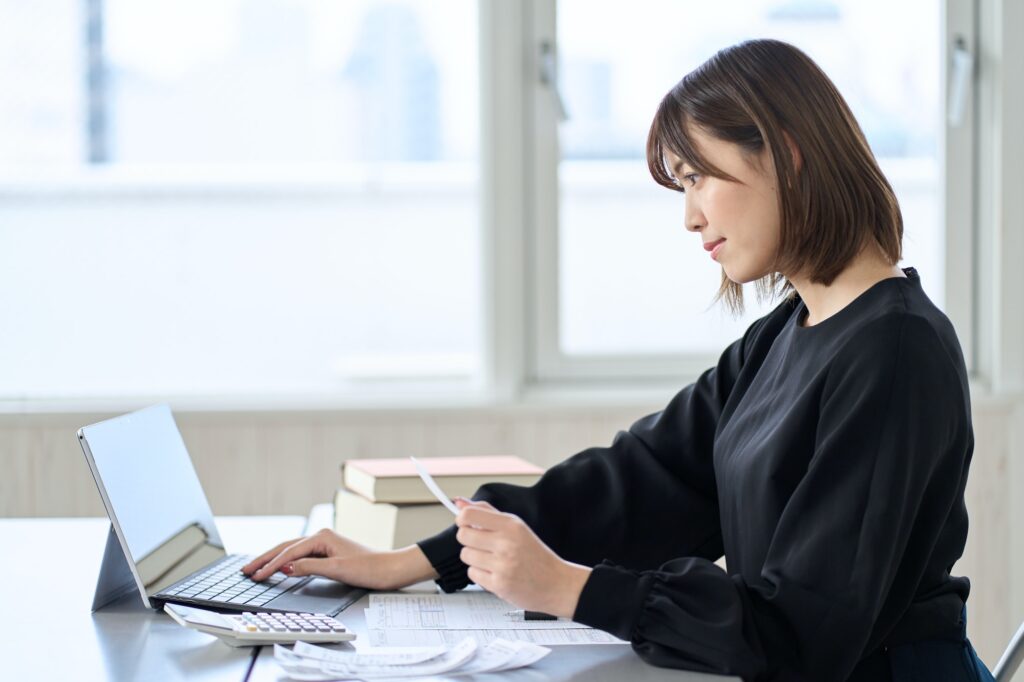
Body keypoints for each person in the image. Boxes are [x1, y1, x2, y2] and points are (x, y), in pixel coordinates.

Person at [241, 39, 994, 681]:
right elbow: (640, 481)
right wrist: (418, 560)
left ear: (787, 154)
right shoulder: (787, 333)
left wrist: (571, 587)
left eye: (699, 177)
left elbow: (802, 634)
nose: (690, 215)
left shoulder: (894, 353)